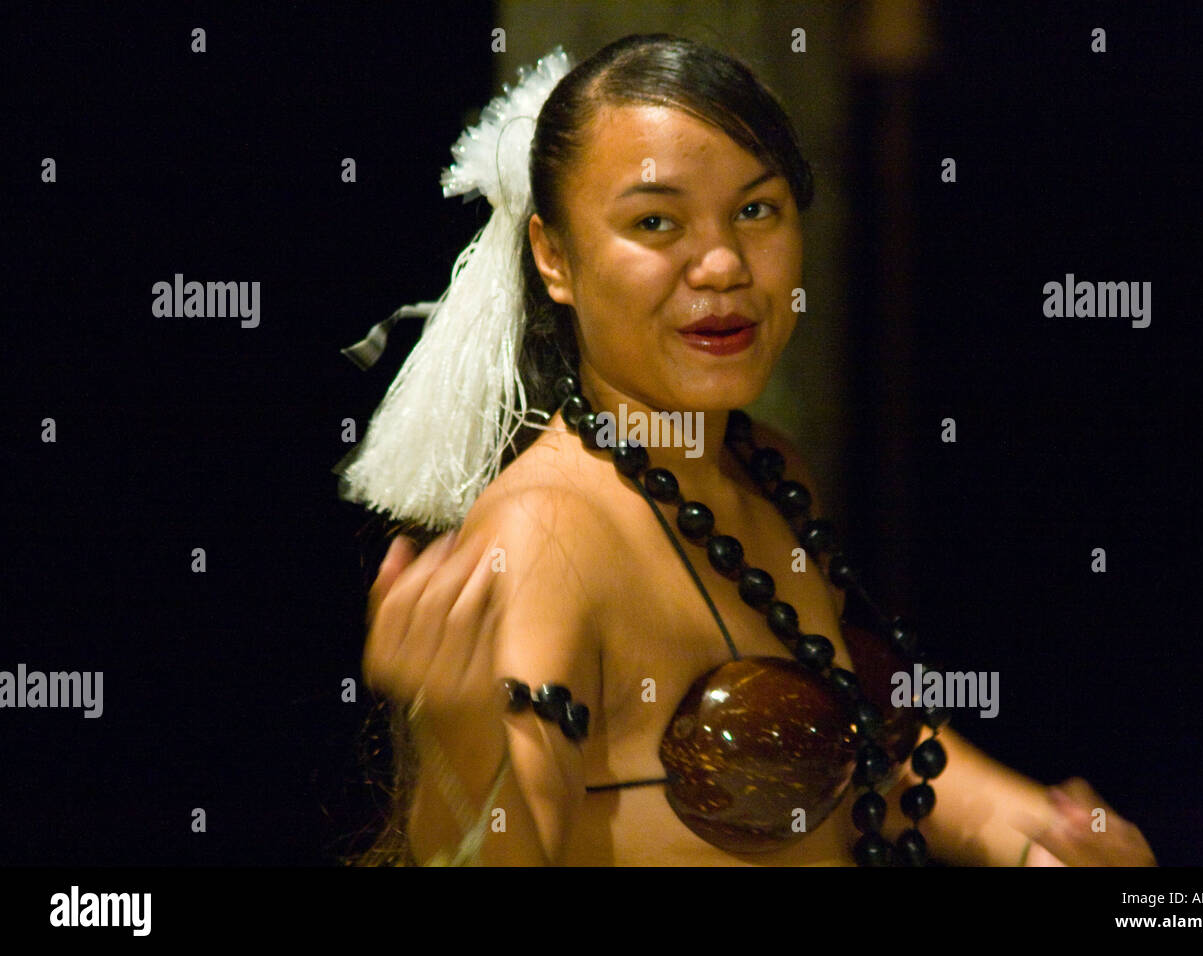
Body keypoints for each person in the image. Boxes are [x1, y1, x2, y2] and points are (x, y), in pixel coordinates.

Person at [343, 34, 1157, 867]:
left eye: (756, 211)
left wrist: (1040, 841)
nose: (725, 264)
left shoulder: (767, 469)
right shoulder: (546, 535)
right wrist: (463, 742)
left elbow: (862, 743)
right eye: (655, 222)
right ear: (554, 256)